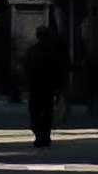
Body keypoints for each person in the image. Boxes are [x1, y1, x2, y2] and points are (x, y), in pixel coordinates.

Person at [23, 14, 68, 148]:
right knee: (47, 113)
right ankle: (45, 136)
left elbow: (26, 69)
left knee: (36, 113)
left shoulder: (32, 51)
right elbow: (59, 70)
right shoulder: (52, 52)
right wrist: (60, 87)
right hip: (47, 88)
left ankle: (40, 136)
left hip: (37, 88)